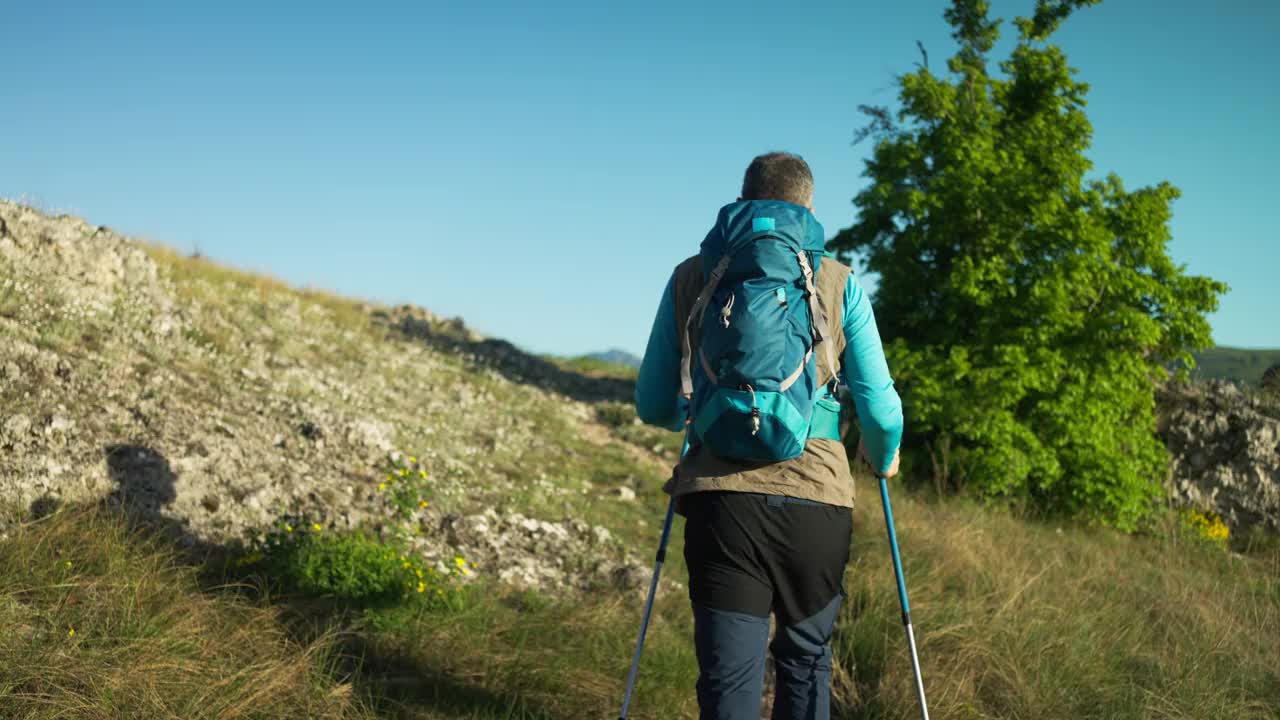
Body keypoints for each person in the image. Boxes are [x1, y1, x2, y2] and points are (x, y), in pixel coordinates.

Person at [634, 152, 903, 720]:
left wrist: (689, 413)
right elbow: (880, 409)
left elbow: (651, 401)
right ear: (807, 207)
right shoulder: (838, 280)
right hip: (817, 504)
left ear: (743, 200)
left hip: (722, 504)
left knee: (730, 680)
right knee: (805, 663)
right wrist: (884, 457)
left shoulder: (693, 273)